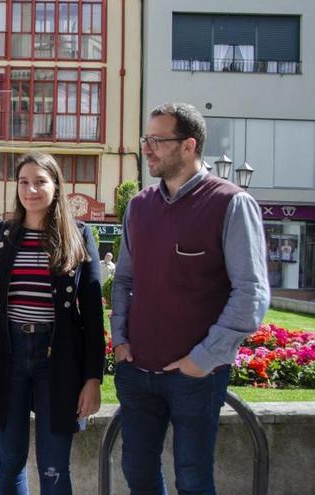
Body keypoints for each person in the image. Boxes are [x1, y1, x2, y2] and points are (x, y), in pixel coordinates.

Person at [111, 102, 269, 494]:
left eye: (157, 140)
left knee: (195, 479)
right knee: (138, 473)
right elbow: (124, 279)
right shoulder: (138, 206)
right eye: (146, 139)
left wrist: (203, 359)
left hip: (196, 377)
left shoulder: (231, 203)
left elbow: (251, 293)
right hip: (137, 371)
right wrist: (121, 341)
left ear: (189, 145)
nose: (146, 148)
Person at [0, 151, 104, 495]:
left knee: (54, 466)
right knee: (11, 461)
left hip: (58, 361)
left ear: (56, 186)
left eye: (40, 181)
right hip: (8, 357)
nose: (31, 190)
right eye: (23, 182)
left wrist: (93, 378)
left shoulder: (79, 234)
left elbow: (92, 314)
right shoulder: (0, 236)